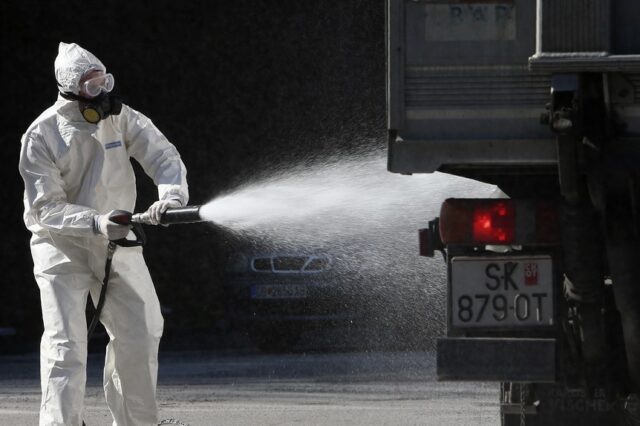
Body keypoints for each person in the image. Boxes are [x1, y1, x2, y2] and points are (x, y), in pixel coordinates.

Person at [18, 42, 188, 426]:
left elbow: (162, 155)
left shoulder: (121, 118)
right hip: (61, 248)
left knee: (142, 330)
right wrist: (95, 222)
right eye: (93, 88)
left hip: (117, 242)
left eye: (105, 82)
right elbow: (45, 208)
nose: (104, 94)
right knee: (67, 344)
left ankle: (137, 422)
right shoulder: (41, 135)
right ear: (71, 90)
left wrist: (172, 195)